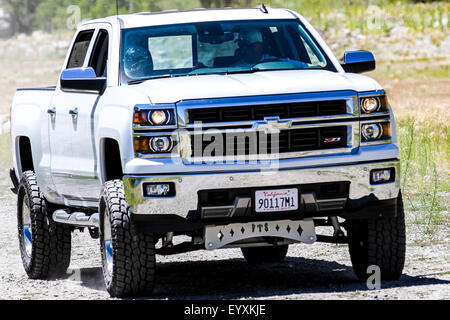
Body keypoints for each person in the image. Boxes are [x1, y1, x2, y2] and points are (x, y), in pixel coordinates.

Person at [232, 28, 309, 69]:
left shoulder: (280, 62)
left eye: (248, 45)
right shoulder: (233, 69)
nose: (243, 48)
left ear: (261, 45)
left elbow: (307, 67)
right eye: (241, 44)